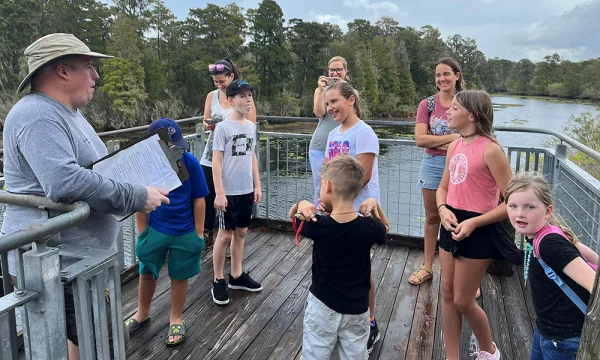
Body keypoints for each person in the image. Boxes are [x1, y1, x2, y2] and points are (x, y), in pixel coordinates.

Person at [2, 33, 169, 359]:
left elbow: (88, 171)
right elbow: (63, 181)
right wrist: (134, 195)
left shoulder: (65, 112)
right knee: (110, 344)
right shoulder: (36, 115)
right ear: (63, 71)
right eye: (89, 67)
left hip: (77, 262)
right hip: (54, 265)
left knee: (89, 343)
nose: (96, 77)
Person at [436, 90, 522, 360]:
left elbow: (511, 202)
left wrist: (474, 222)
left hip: (479, 228)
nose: (448, 111)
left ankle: (489, 350)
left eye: (455, 108)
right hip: (450, 223)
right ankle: (453, 356)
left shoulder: (491, 149)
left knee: (463, 299)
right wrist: (441, 209)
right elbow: (442, 188)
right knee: (447, 294)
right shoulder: (454, 145)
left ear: (471, 115)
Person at [290, 155, 389, 360]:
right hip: (358, 309)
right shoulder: (369, 227)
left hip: (322, 306)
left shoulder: (318, 225)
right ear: (357, 189)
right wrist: (374, 205)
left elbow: (292, 217)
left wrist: (301, 204)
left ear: (328, 186)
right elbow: (385, 228)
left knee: (314, 356)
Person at [125, 118, 209, 347]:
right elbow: (140, 201)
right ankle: (142, 312)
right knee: (146, 271)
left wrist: (198, 234)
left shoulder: (190, 163)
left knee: (179, 275)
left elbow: (199, 199)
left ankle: (176, 317)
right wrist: (142, 233)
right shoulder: (145, 166)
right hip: (155, 229)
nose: (174, 151)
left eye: (176, 146)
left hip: (184, 231)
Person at [505, 173, 596, 360]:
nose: (519, 213)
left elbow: (596, 284)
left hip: (564, 338)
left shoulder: (550, 244)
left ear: (547, 211)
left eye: (529, 207)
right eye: (513, 206)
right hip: (546, 328)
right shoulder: (547, 231)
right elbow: (588, 254)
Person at [323, 81, 382, 353]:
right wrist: (325, 201)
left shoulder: (364, 132)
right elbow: (327, 172)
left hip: (359, 211)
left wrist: (343, 202)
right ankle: (341, 320)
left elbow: (365, 174)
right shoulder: (334, 133)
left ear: (351, 100)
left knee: (362, 269)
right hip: (337, 212)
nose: (330, 107)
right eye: (327, 103)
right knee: (338, 264)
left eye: (335, 101)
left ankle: (369, 322)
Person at [410, 57, 463, 286]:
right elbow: (420, 140)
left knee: (461, 219)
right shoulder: (428, 105)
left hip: (460, 164)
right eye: (438, 75)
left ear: (457, 76)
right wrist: (455, 139)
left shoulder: (466, 102)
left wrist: (438, 142)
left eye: (446, 74)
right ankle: (427, 266)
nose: (441, 79)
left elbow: (474, 135)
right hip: (432, 165)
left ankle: (462, 275)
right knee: (433, 217)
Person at [211, 79, 262, 305]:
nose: (247, 99)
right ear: (231, 101)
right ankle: (218, 279)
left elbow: (251, 156)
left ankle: (237, 275)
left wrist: (257, 185)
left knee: (241, 232)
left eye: (249, 95)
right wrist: (219, 192)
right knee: (224, 235)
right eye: (242, 96)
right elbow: (216, 161)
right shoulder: (223, 128)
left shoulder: (250, 127)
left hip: (246, 190)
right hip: (229, 192)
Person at [200, 59, 257, 249]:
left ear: (231, 76)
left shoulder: (241, 97)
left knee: (232, 201)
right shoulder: (211, 96)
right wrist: (209, 124)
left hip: (233, 158)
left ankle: (231, 241)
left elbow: (250, 125)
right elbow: (204, 121)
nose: (218, 85)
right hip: (212, 154)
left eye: (221, 81)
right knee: (208, 196)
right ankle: (207, 235)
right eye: (215, 82)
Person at [309, 56, 351, 206]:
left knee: (342, 189)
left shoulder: (352, 93)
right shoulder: (320, 91)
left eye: (339, 69)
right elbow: (319, 113)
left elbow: (356, 114)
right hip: (320, 146)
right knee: (320, 189)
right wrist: (321, 90)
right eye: (332, 70)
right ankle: (320, 223)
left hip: (343, 146)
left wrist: (345, 89)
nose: (335, 73)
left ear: (345, 71)